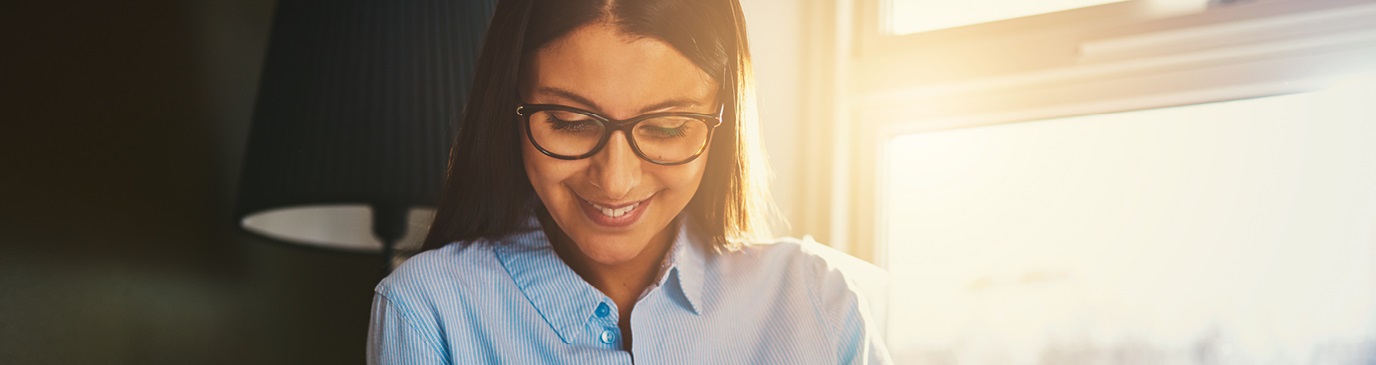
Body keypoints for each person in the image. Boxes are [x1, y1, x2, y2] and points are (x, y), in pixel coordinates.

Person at [367, 0, 892, 363]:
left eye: (666, 127)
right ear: (509, 109)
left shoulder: (818, 304)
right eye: (570, 122)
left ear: (722, 119)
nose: (616, 181)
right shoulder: (428, 310)